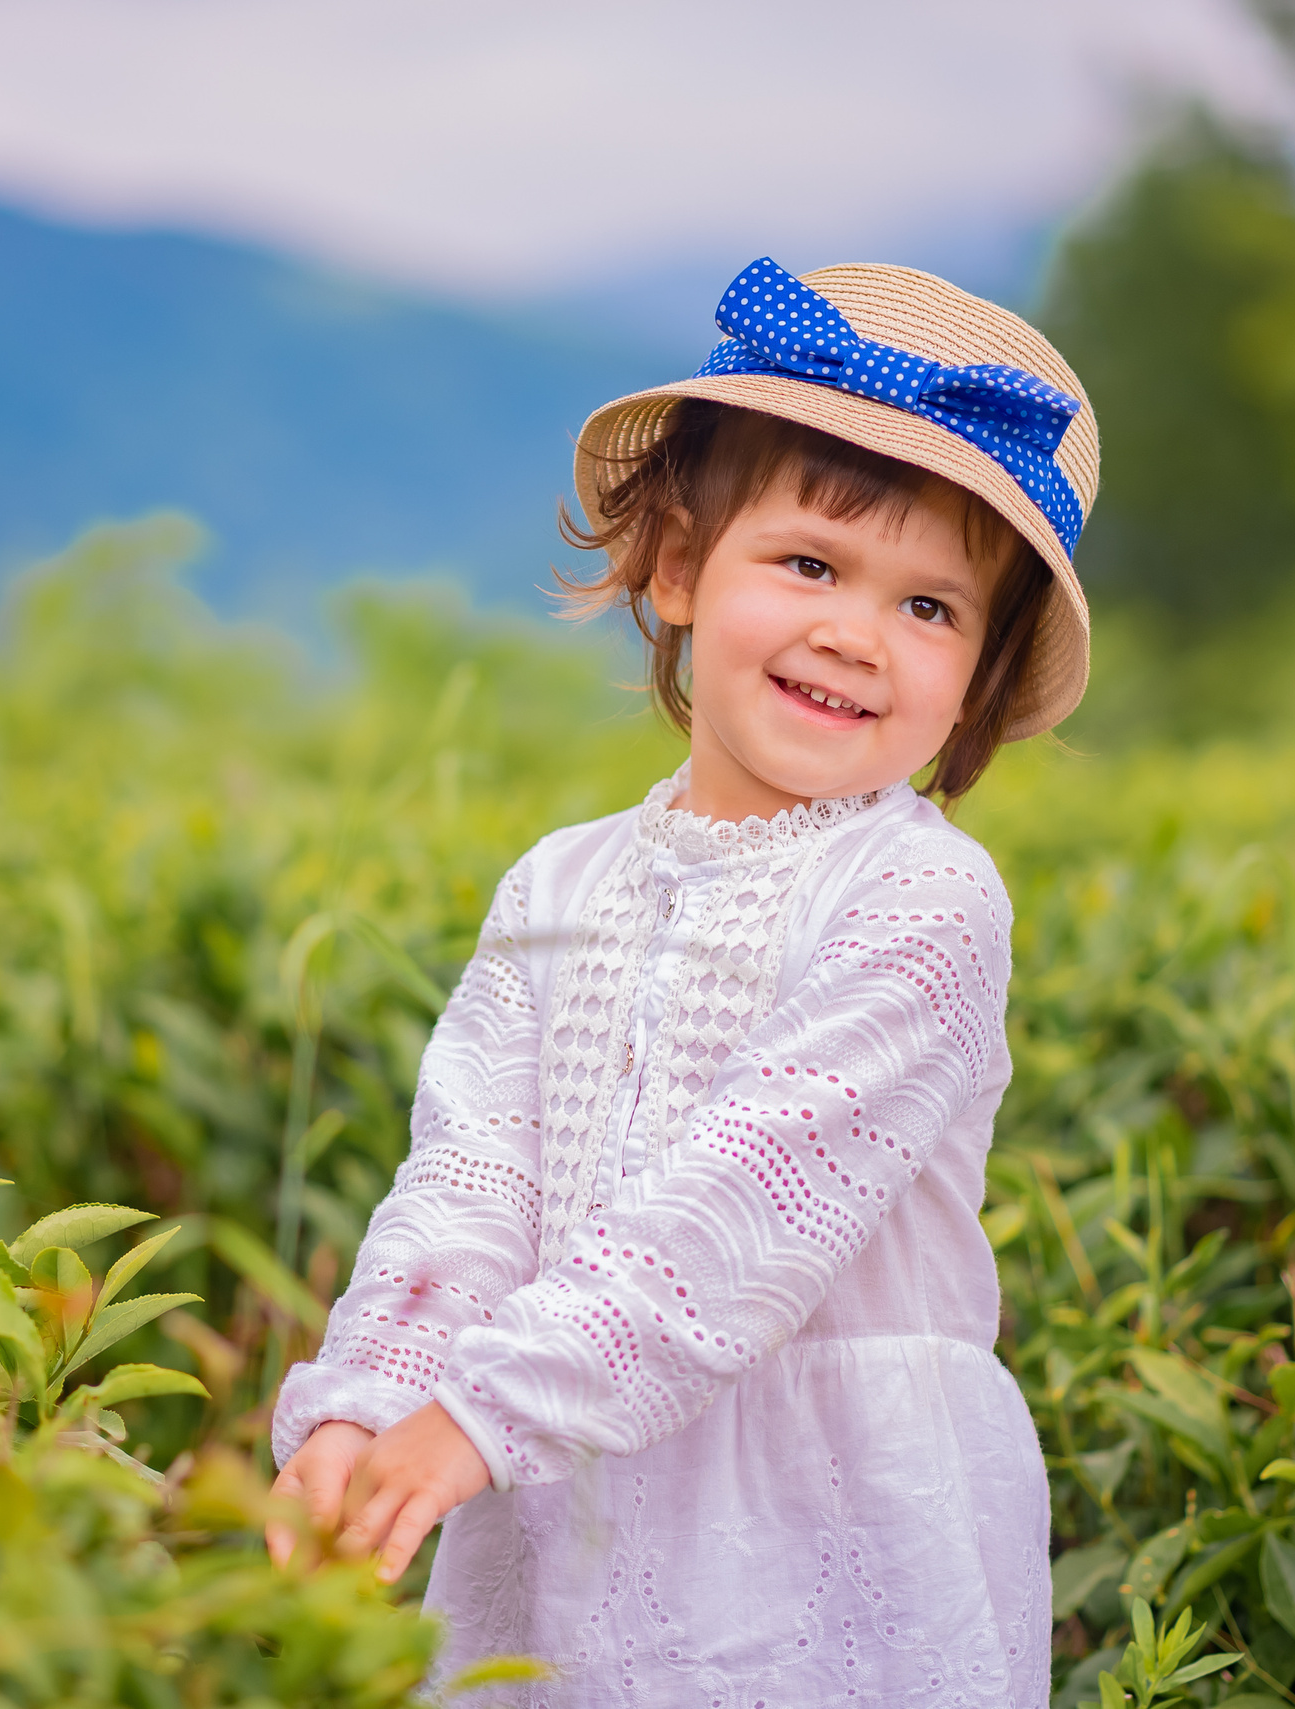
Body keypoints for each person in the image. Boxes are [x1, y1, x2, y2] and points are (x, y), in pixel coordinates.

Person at [265, 256, 1100, 1707]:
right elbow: (469, 1181)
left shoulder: (925, 895)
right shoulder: (558, 884)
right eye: (810, 565)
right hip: (556, 1490)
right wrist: (372, 1399)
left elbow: (740, 1209)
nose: (856, 633)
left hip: (829, 1532)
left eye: (931, 606)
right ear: (676, 567)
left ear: (978, 672)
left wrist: (479, 1410)